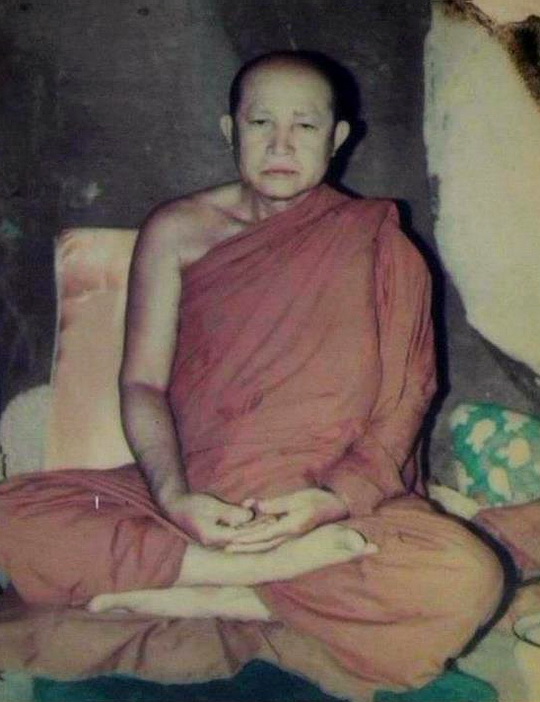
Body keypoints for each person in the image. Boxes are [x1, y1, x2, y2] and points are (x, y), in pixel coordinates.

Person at [0, 51, 505, 694]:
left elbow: (407, 400)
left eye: (305, 126)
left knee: (468, 576)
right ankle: (243, 578)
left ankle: (225, 594)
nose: (281, 144)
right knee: (13, 519)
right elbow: (142, 385)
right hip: (199, 496)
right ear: (230, 130)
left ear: (337, 138)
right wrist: (176, 498)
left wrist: (330, 500)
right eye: (261, 122)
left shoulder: (379, 243)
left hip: (329, 508)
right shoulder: (177, 229)